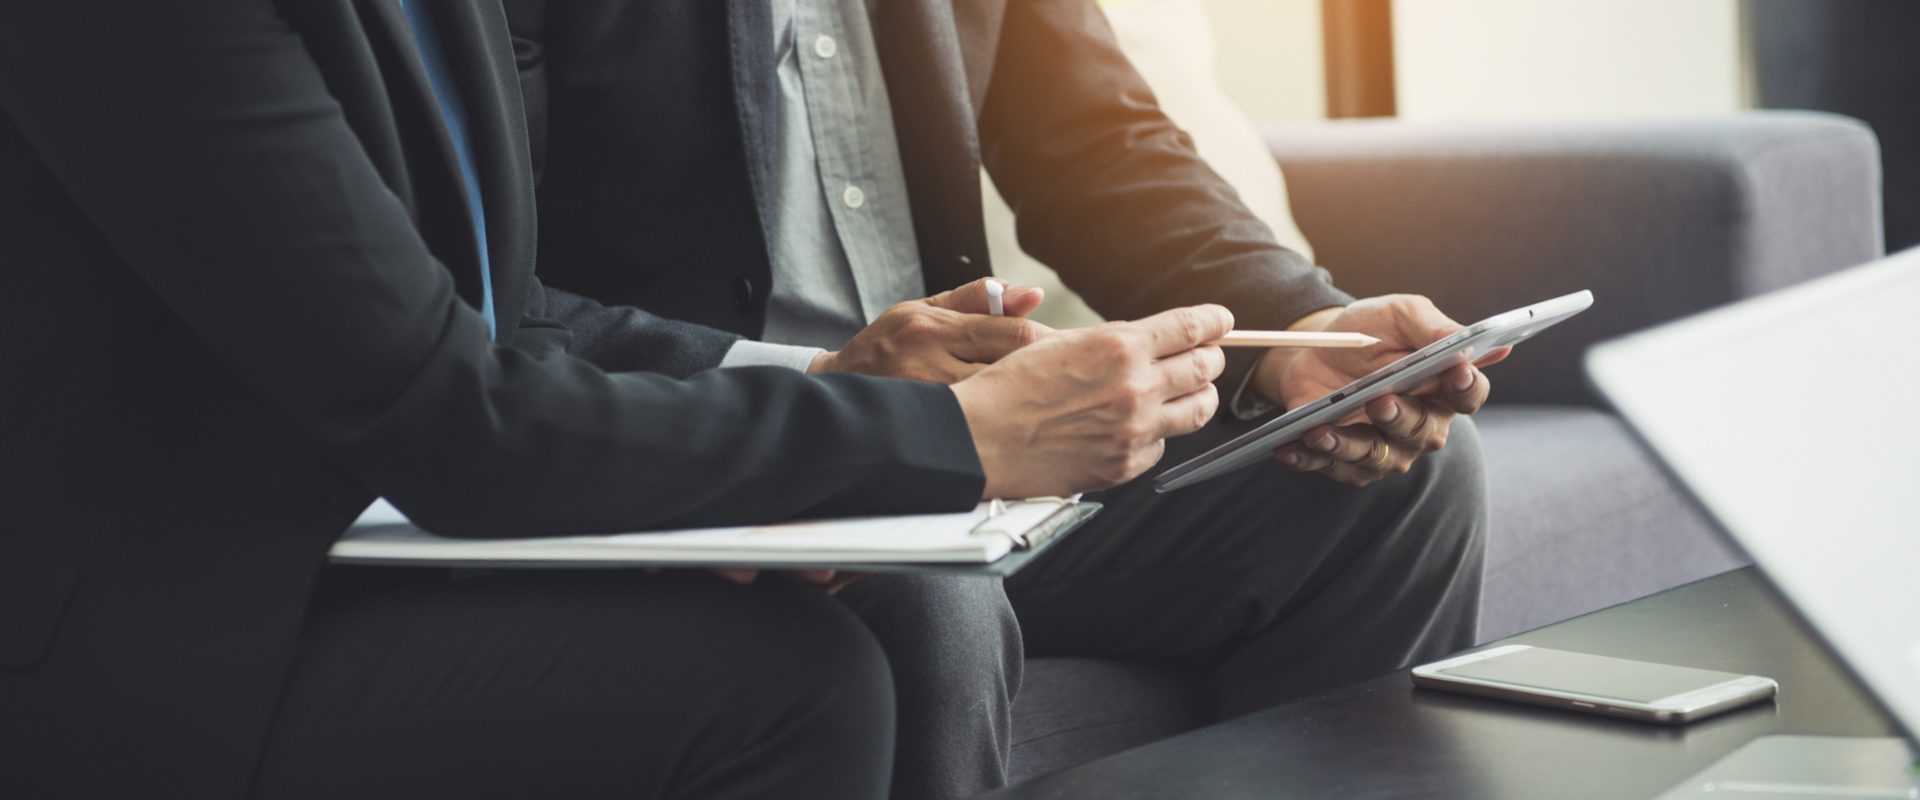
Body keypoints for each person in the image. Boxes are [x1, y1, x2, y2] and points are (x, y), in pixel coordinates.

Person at [0, 2, 1236, 797]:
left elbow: (505, 305)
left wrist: (827, 400)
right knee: (796, 683)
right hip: (164, 629)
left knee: (862, 634)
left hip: (348, 536)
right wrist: (947, 441)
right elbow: (445, 415)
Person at [506, 1, 1497, 796]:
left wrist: (1301, 333)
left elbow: (1099, 146)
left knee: (1401, 482)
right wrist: (829, 404)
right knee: (919, 591)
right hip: (719, 451)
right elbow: (483, 294)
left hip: (985, 440)